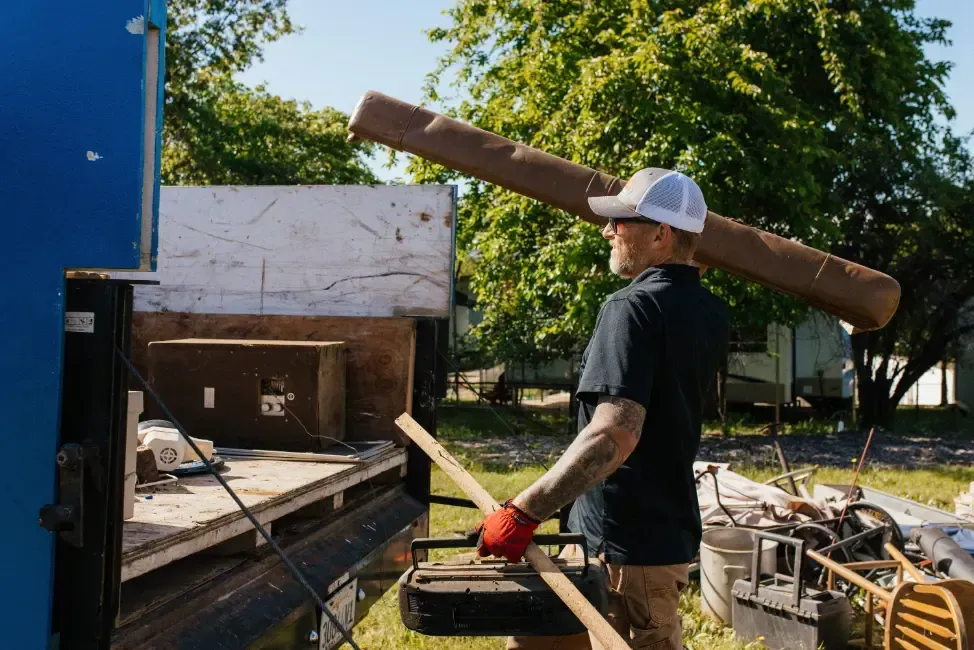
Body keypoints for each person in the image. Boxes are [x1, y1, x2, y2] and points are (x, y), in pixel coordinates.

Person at [474, 168, 731, 650]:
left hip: (621, 555)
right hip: (651, 538)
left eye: (621, 222)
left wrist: (524, 512)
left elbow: (615, 435)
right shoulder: (710, 311)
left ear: (661, 233)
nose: (607, 231)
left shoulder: (631, 307)